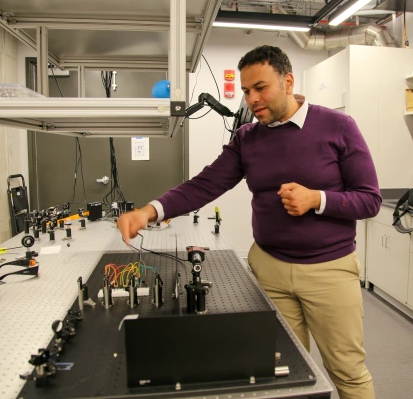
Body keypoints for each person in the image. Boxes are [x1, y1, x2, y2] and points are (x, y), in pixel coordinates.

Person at [118, 45, 381, 399]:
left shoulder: (338, 126)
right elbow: (205, 185)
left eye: (260, 88)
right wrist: (149, 211)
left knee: (347, 372)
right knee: (282, 370)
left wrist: (317, 199)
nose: (252, 99)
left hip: (328, 272)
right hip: (269, 269)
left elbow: (370, 199)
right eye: (245, 91)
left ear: (288, 81)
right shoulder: (248, 138)